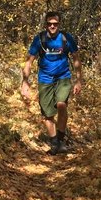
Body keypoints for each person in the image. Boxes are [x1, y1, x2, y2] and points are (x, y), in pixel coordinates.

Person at [21, 11, 82, 155]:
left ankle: (61, 140)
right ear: (46, 25)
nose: (52, 26)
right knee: (48, 115)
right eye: (49, 24)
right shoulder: (40, 39)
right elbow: (29, 61)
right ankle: (55, 144)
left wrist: (79, 80)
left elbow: (76, 59)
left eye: (55, 24)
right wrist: (25, 82)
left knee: (61, 105)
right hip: (45, 79)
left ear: (59, 24)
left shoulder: (66, 38)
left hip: (63, 77)